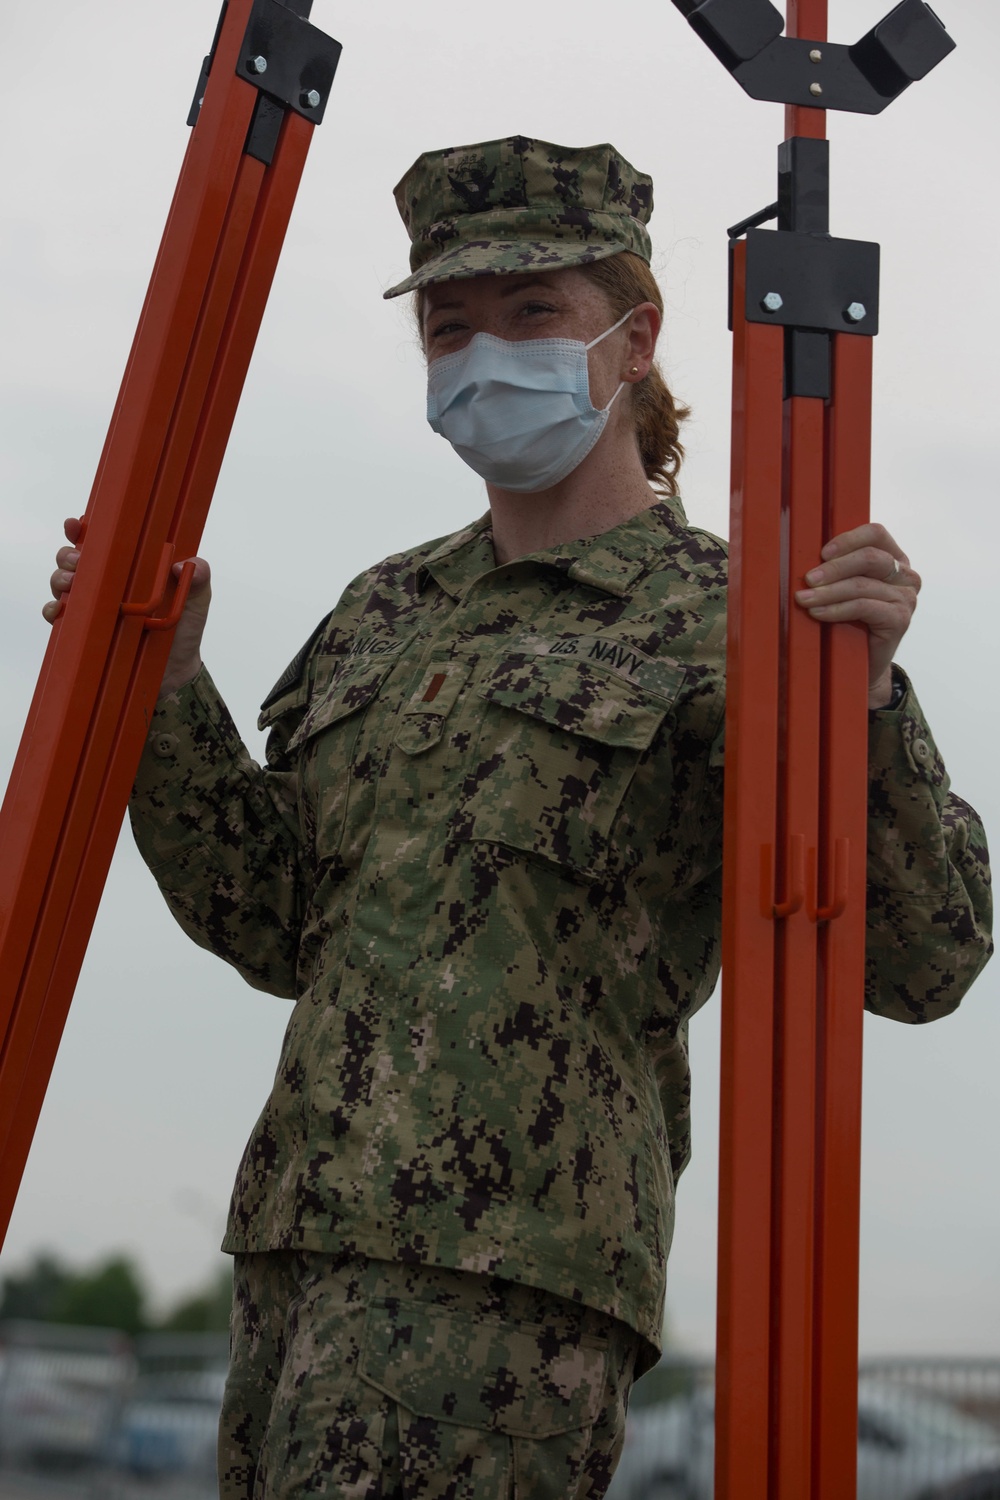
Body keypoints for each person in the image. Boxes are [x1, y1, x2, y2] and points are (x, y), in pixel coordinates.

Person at [45, 136, 992, 1500]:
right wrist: (163, 689)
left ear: (634, 333)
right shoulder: (386, 610)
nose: (487, 352)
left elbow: (926, 958)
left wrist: (869, 694)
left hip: (510, 1285)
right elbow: (271, 921)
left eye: (533, 312)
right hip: (296, 1249)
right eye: (451, 327)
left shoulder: (739, 626)